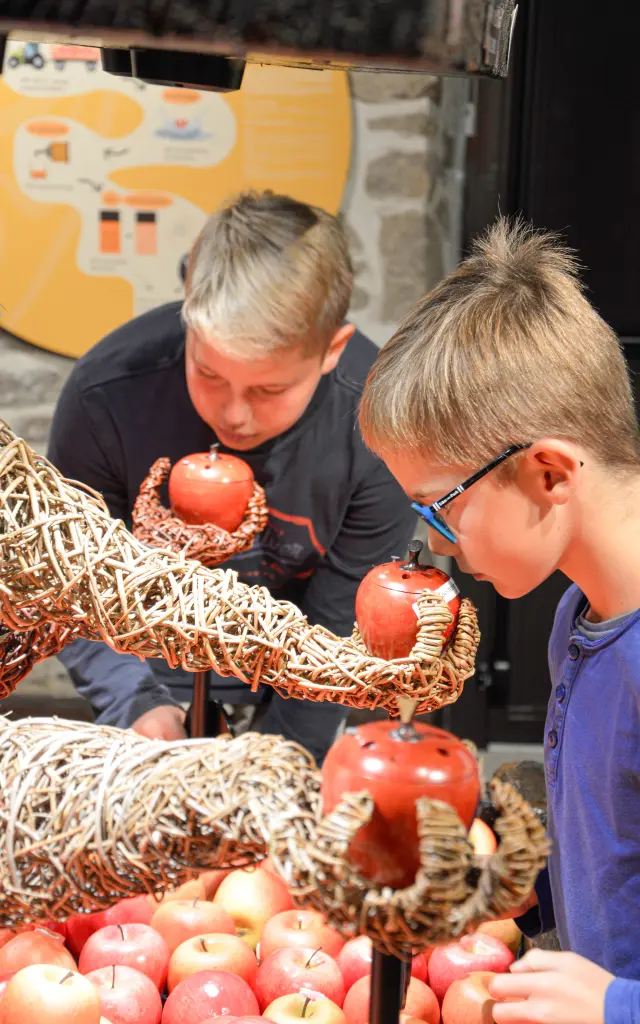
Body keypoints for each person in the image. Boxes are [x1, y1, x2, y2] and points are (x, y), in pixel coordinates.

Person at [359, 218, 640, 1023]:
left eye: (440, 507)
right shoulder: (576, 617)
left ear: (549, 471)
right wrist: (511, 886)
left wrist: (620, 1006)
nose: (435, 546)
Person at [48, 189, 415, 765]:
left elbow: (341, 620)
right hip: (144, 675)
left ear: (331, 350)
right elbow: (77, 582)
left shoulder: (379, 429)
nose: (234, 415)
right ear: (188, 308)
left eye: (270, 390)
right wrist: (135, 703)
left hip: (300, 683)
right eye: (209, 373)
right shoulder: (105, 398)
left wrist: (279, 764)